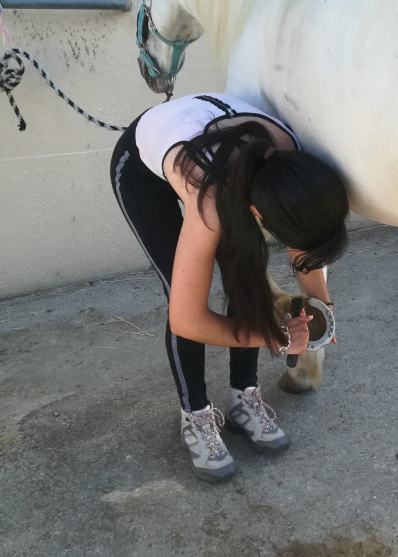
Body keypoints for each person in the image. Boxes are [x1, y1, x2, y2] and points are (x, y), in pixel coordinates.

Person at [110, 92, 348, 482]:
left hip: (223, 160)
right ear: (258, 213)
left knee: (248, 274)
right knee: (182, 293)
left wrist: (322, 306)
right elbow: (188, 320)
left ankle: (243, 396)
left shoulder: (295, 164)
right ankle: (196, 414)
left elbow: (306, 247)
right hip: (145, 170)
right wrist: (277, 339)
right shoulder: (210, 204)